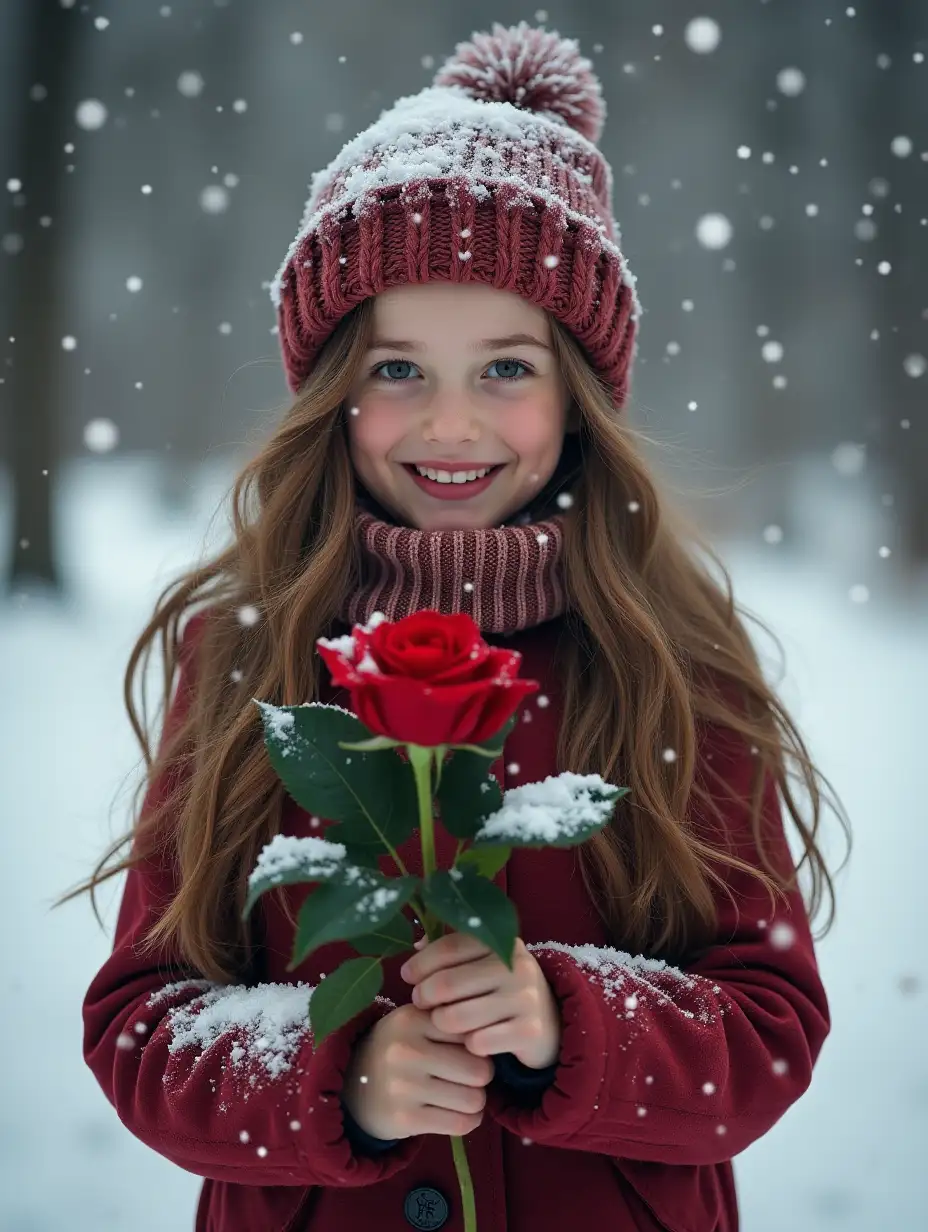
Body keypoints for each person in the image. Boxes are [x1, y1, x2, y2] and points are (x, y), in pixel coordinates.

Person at [59, 22, 849, 1232]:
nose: (450, 423)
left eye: (504, 368)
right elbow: (142, 1024)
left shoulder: (670, 664)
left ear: (578, 388)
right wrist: (342, 1081)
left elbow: (767, 1027)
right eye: (394, 369)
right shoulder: (244, 656)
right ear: (331, 389)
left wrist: (560, 1024)